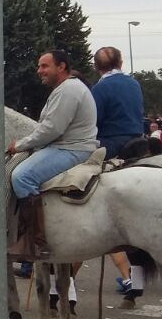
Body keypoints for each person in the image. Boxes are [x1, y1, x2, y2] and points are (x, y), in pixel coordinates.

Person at [6, 50, 99, 260]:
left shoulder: (68, 90)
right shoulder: (65, 89)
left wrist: (19, 145)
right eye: (39, 66)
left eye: (44, 66)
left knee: (22, 176)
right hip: (67, 146)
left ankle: (35, 242)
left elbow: (51, 129)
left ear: (62, 66)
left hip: (71, 149)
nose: (40, 71)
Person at [91, 46, 144, 160]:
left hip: (112, 143)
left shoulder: (99, 88)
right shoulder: (134, 84)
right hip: (138, 139)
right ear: (120, 63)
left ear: (95, 66)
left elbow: (93, 122)